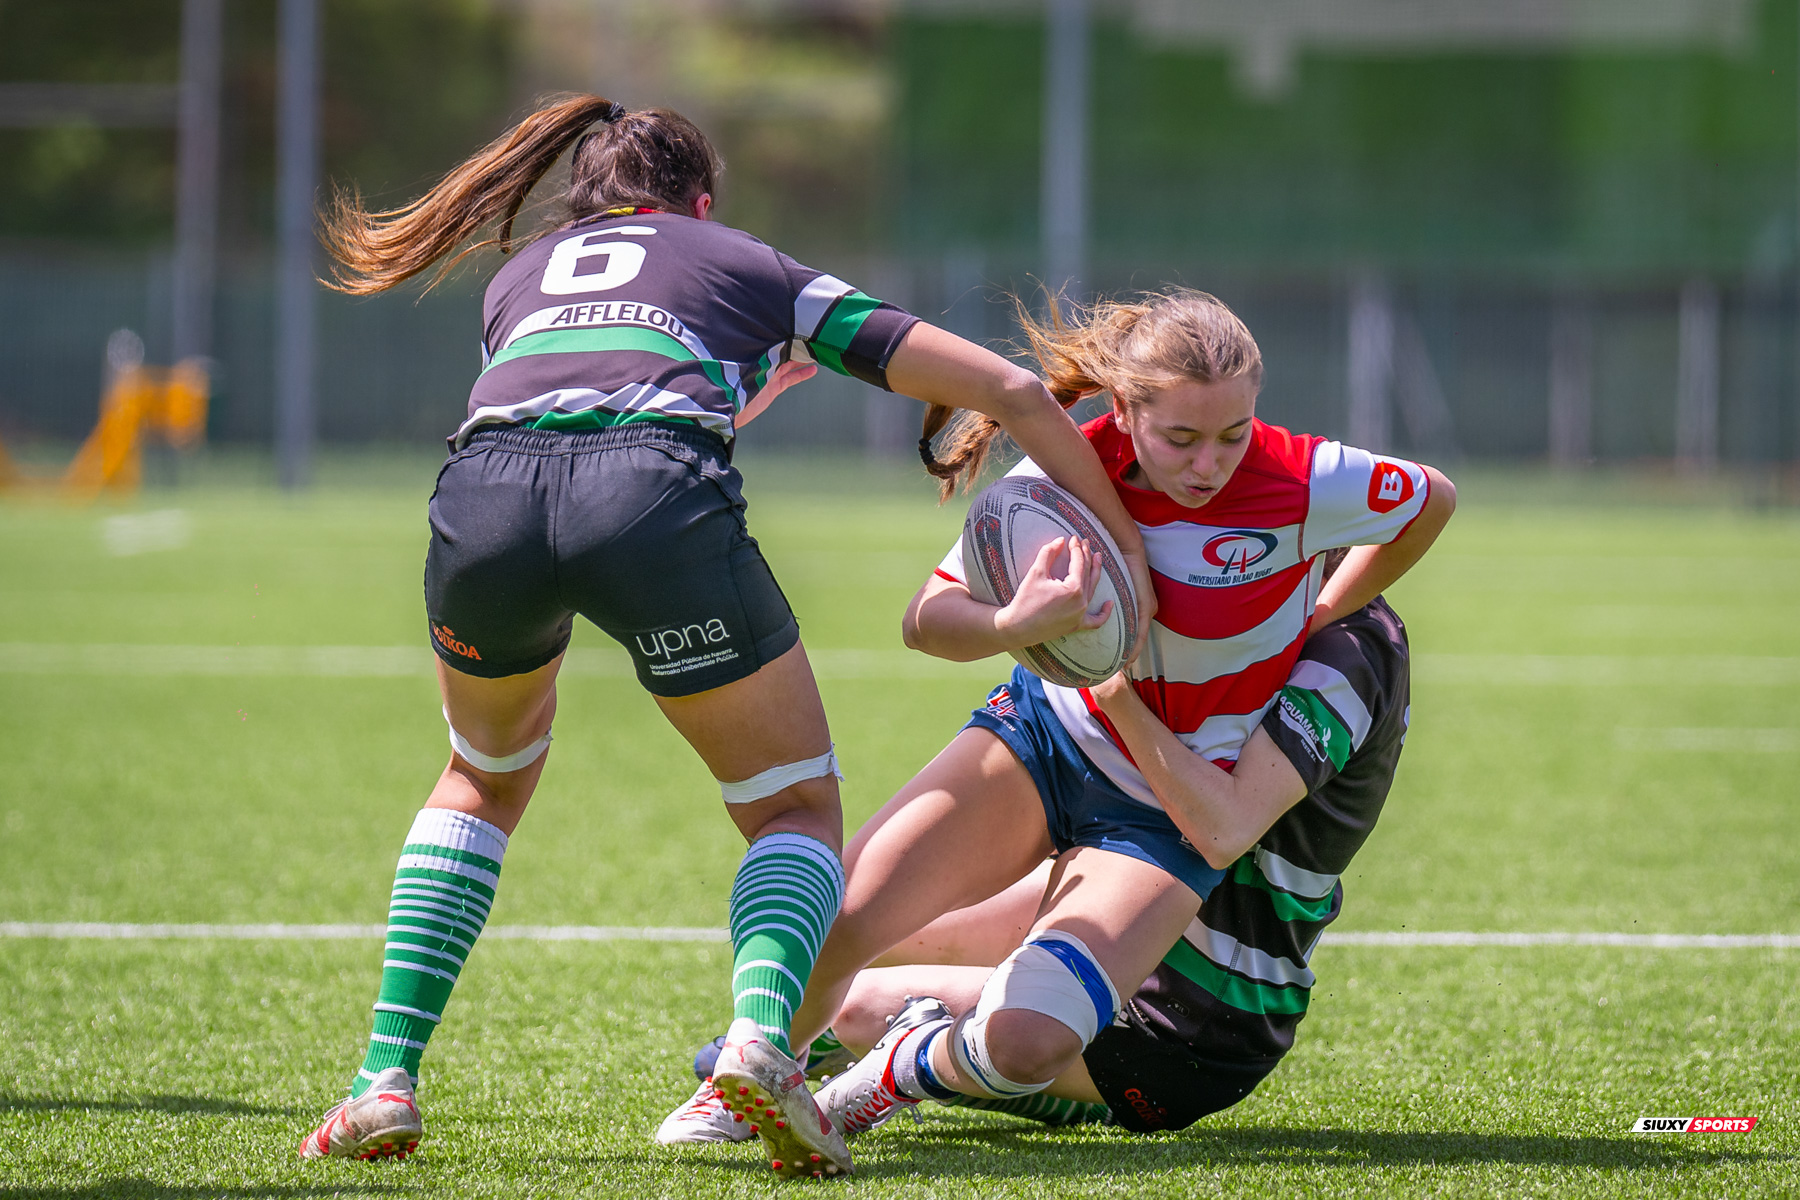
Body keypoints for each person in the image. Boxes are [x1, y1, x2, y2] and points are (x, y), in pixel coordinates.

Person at [293, 94, 1153, 1181]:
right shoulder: (742, 259)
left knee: (480, 777)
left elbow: (582, 402)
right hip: (650, 499)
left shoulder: (522, 278)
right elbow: (1012, 389)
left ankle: (382, 1080)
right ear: (698, 202)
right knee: (793, 807)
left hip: (483, 499)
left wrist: (730, 391)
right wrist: (1125, 546)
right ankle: (760, 1042)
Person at [747, 288, 1452, 1141]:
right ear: (1125, 409)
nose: (1210, 464)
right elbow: (923, 621)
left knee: (1026, 1038)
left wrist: (1331, 606)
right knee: (844, 916)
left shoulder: (1303, 477)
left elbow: (1430, 499)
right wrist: (1015, 625)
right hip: (1045, 740)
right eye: (1181, 439)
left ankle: (897, 1068)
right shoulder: (1066, 474)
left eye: (1232, 434)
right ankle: (741, 1091)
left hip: (1163, 805)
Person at [820, 549, 1412, 1133]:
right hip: (1119, 880)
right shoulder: (1220, 580)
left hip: (1188, 1015)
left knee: (865, 1008)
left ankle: (911, 1066)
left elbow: (1222, 829)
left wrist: (1110, 687)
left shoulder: (1351, 653)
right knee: (869, 922)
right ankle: (763, 1056)